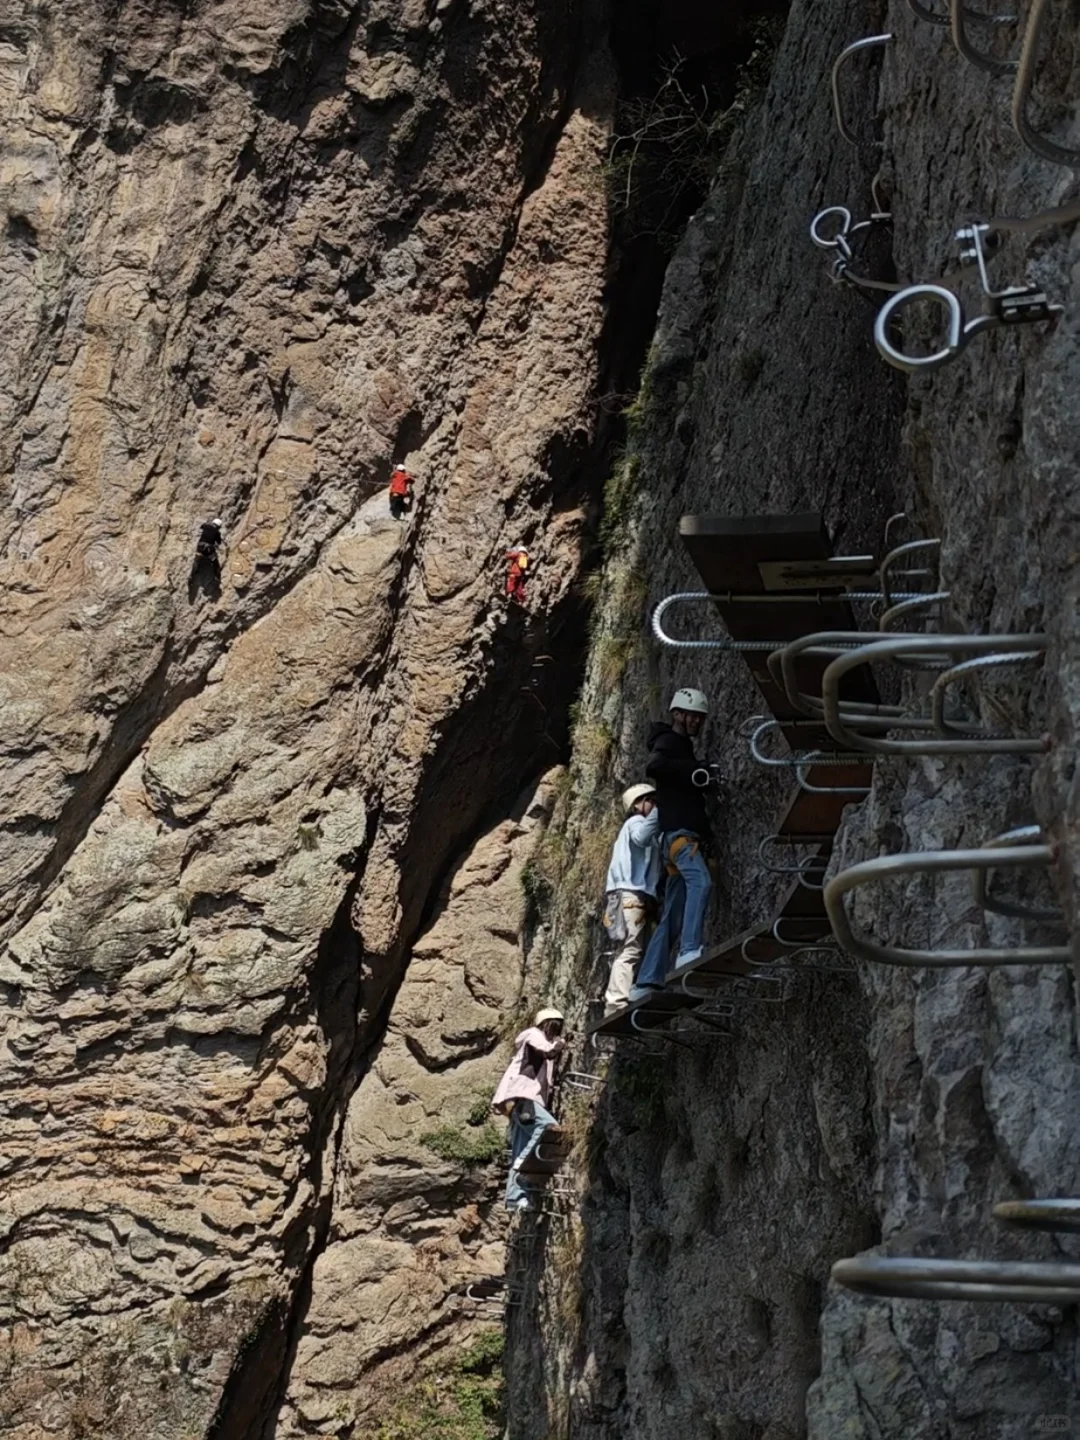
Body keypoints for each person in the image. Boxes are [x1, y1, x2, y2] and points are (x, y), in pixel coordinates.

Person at [629, 687, 715, 1001]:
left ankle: (646, 982)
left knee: (673, 911)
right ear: (677, 714)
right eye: (690, 715)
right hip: (680, 837)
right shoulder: (671, 741)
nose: (695, 721)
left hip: (676, 839)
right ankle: (689, 950)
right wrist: (696, 771)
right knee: (701, 883)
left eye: (699, 717)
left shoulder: (680, 747)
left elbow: (676, 783)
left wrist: (698, 775)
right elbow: (655, 766)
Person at [491, 1007, 565, 1211]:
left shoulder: (533, 1041)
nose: (557, 1030)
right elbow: (548, 1052)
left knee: (518, 1151)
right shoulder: (534, 1035)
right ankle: (524, 1166)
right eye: (555, 1026)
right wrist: (561, 1044)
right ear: (545, 1024)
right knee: (549, 1127)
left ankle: (515, 1197)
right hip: (523, 1097)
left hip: (518, 1101)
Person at [602, 783, 661, 1015]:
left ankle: (630, 990)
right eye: (651, 800)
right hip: (630, 895)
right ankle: (616, 1001)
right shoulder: (635, 823)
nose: (654, 804)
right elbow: (641, 838)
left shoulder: (635, 825)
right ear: (638, 804)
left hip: (632, 895)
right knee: (631, 948)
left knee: (636, 947)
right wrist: (660, 812)